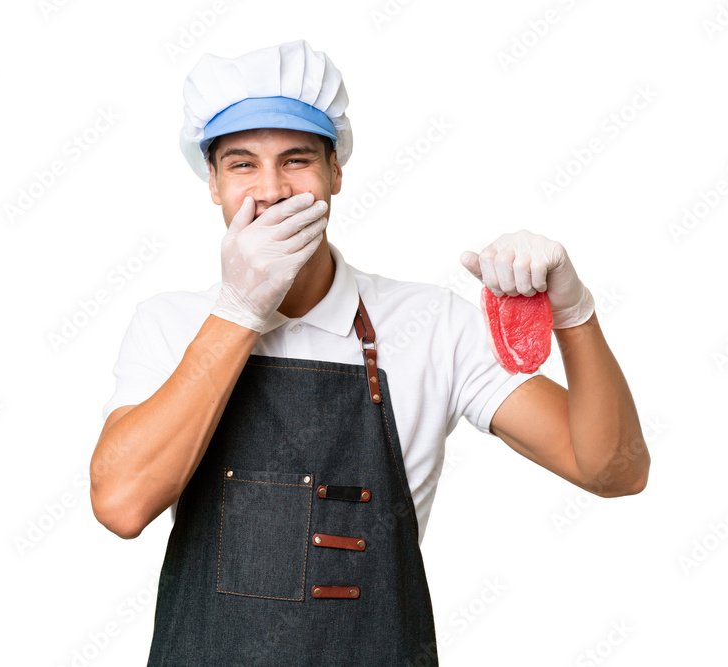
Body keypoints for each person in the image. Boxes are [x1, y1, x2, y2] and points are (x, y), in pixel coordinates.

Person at [89, 39, 650, 666]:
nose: (272, 191)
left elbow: (615, 471)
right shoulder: (171, 325)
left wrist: (575, 317)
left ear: (335, 171)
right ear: (213, 184)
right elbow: (120, 504)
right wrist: (239, 311)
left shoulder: (430, 325)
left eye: (297, 160)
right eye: (242, 165)